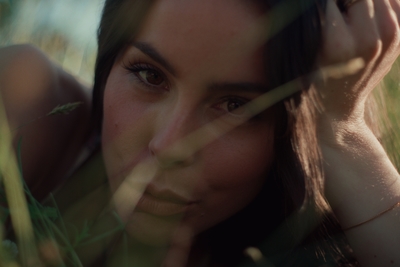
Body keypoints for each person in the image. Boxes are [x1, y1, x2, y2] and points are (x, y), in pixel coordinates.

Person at [1, 0, 400, 266]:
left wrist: (341, 135)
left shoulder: (304, 243)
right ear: (109, 56)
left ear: (297, 133)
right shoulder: (26, 107)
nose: (167, 145)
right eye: (149, 75)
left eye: (236, 106)